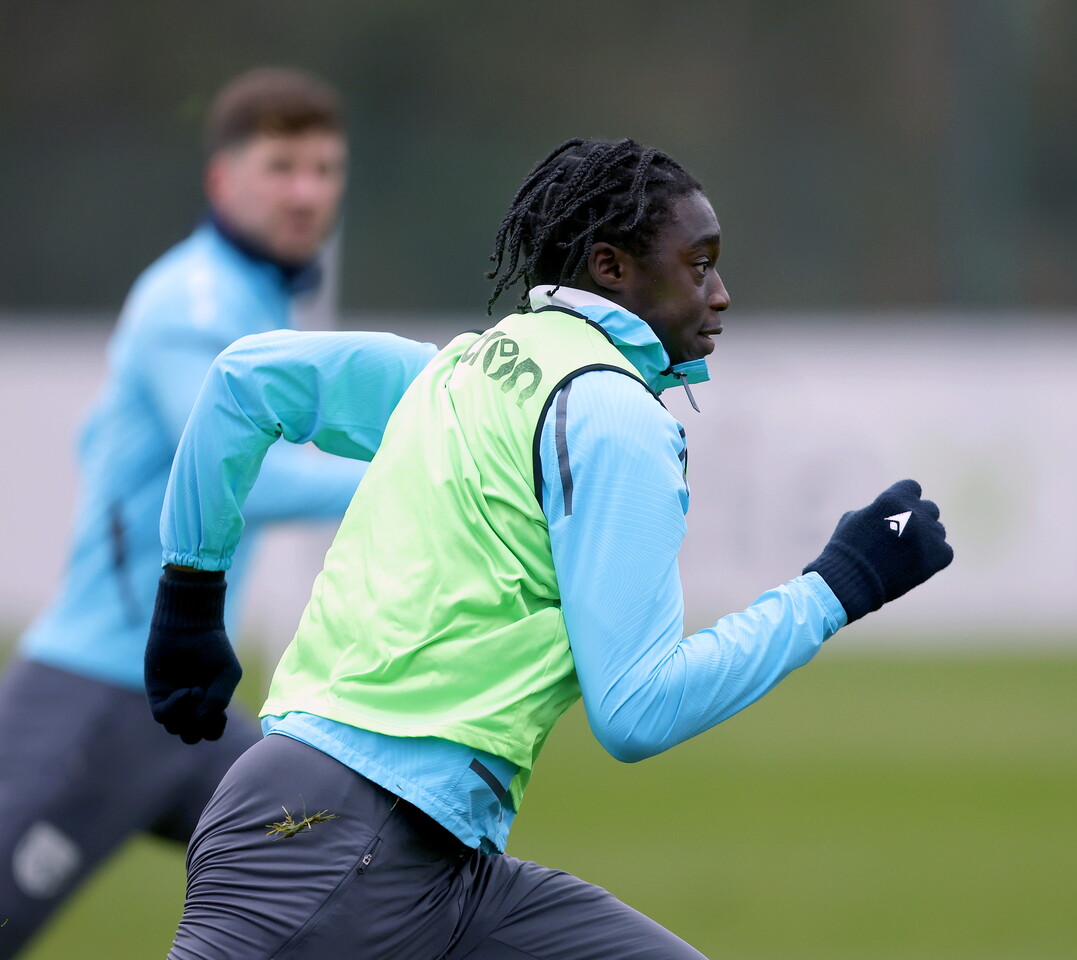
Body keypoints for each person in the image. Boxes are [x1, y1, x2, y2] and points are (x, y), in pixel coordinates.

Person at [145, 137, 955, 959]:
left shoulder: (466, 365)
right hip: (339, 845)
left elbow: (244, 384)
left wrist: (189, 596)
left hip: (407, 854)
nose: (721, 294)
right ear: (612, 267)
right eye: (699, 264)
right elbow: (639, 710)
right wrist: (836, 588)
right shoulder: (615, 415)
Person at [0, 68, 368, 956]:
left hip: (187, 715)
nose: (306, 191)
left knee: (358, 881)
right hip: (90, 705)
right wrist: (423, 475)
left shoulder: (255, 300)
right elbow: (249, 476)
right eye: (281, 166)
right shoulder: (190, 304)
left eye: (324, 169)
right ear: (222, 180)